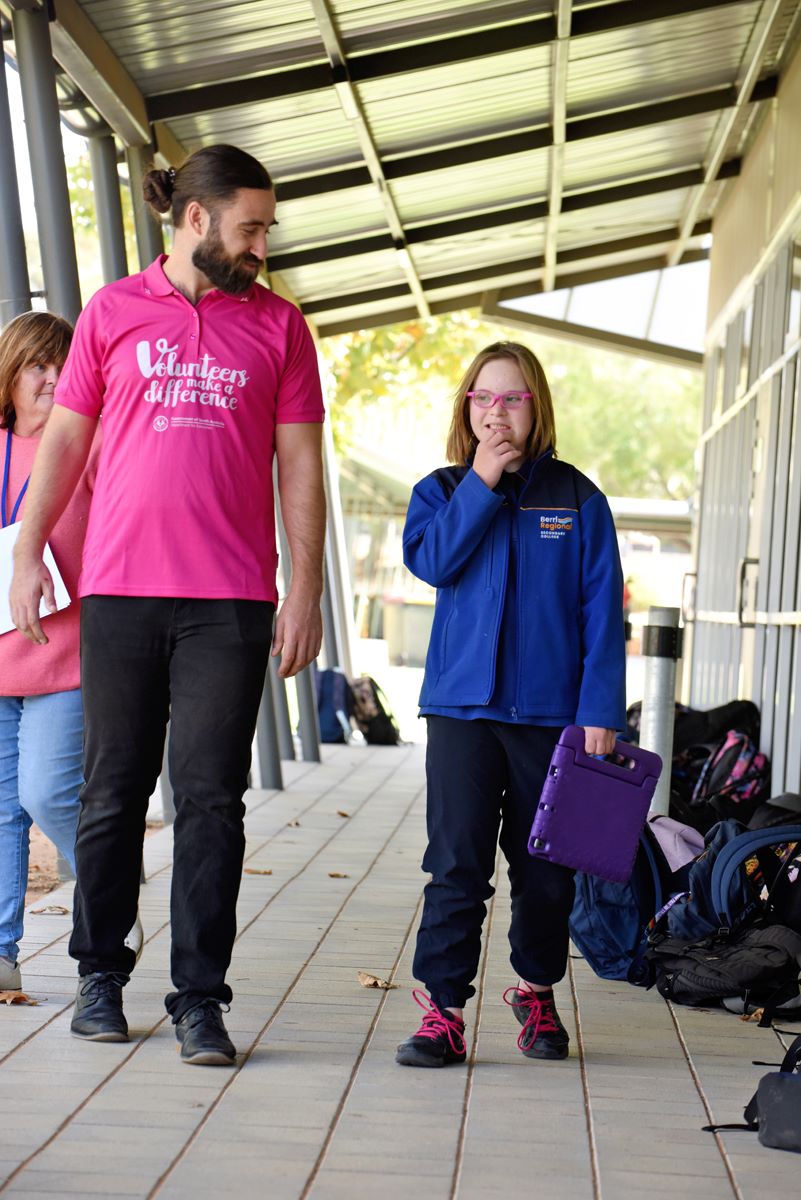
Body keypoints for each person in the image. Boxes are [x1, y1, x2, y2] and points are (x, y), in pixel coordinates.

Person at [10, 144, 326, 1065]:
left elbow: (300, 465)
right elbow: (64, 445)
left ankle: (199, 997)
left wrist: (302, 587)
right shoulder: (112, 313)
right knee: (110, 794)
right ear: (196, 219)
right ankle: (99, 976)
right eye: (251, 226)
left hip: (228, 602)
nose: (263, 243)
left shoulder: (280, 328)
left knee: (211, 801)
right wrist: (28, 552)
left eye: (265, 227)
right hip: (119, 592)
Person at [395, 341, 626, 1068]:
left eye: (513, 398)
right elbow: (433, 561)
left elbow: (600, 617)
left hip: (552, 719)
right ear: (466, 408)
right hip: (461, 713)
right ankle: (442, 1011)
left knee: (545, 871)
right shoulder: (439, 491)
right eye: (484, 399)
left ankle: (534, 990)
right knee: (456, 863)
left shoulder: (577, 499)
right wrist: (482, 483)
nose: (497, 412)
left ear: (536, 408)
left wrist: (600, 712)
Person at [0, 312, 92, 992]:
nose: (54, 378)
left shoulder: (87, 448)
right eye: (38, 365)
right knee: (0, 812)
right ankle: (1, 953)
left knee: (48, 792)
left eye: (65, 366)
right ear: (10, 371)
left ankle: (107, 886)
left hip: (69, 657)